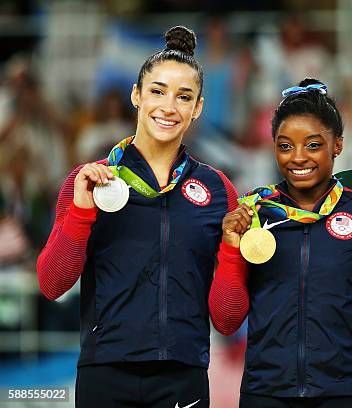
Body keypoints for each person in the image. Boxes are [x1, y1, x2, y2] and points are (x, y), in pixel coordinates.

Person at [36, 26, 237, 408]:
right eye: (157, 91)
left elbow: (227, 320)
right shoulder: (91, 180)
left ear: (197, 108)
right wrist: (81, 211)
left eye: (183, 97)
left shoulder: (216, 190)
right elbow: (51, 284)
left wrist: (230, 252)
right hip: (106, 371)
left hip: (183, 375)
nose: (168, 107)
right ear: (136, 95)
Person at [208, 78, 352, 408]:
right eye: (285, 146)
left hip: (338, 392)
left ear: (337, 144)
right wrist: (230, 248)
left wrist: (338, 336)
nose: (298, 158)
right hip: (264, 392)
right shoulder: (252, 212)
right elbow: (226, 321)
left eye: (312, 145)